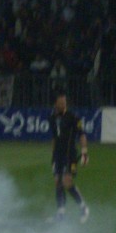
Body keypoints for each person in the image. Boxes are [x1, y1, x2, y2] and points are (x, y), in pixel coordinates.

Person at [49, 92, 89, 223]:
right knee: (57, 182)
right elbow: (55, 138)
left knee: (67, 181)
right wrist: (53, 156)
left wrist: (84, 152)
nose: (63, 105)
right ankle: (61, 213)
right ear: (55, 104)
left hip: (69, 155)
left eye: (64, 102)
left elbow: (82, 135)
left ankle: (83, 208)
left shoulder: (73, 117)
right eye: (61, 103)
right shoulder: (52, 118)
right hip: (58, 156)